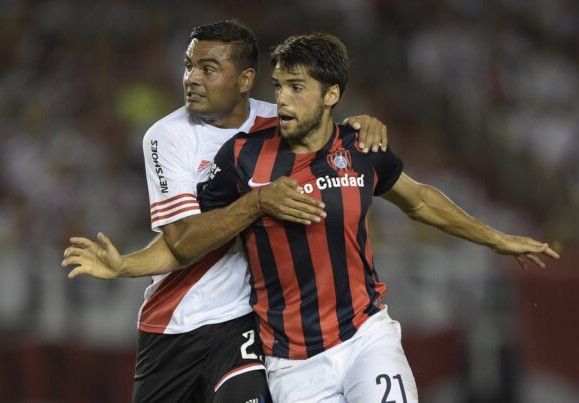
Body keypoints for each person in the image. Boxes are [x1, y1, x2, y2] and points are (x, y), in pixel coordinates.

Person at [65, 32, 560, 402]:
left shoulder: (360, 146)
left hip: (366, 337)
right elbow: (189, 239)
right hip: (291, 364)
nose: (281, 98)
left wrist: (497, 239)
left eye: (296, 87)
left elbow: (421, 201)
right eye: (278, 86)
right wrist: (126, 266)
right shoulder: (241, 159)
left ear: (331, 95)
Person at [63, 21, 390, 403]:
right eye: (189, 66)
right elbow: (182, 242)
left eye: (208, 69)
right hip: (174, 318)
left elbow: (332, 137)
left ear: (246, 79)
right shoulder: (167, 136)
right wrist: (125, 266)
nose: (192, 78)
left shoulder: (280, 122)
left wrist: (362, 125)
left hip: (243, 322)